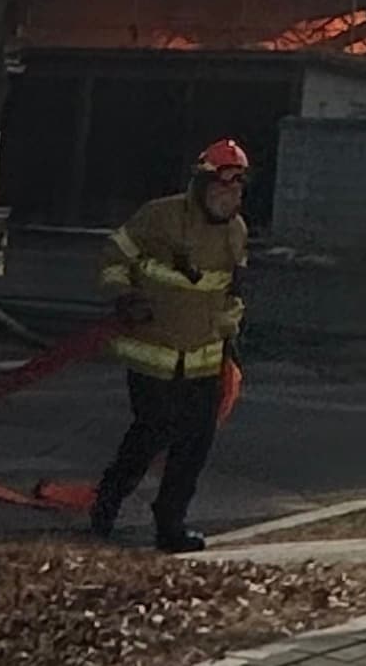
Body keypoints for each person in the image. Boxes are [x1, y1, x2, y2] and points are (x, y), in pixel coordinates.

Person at [91, 139, 250, 551]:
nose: (227, 196)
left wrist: (230, 326)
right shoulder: (159, 216)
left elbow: (232, 290)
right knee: (152, 431)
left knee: (195, 444)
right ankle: (108, 500)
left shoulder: (236, 232)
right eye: (220, 187)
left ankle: (171, 524)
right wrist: (124, 296)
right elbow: (113, 256)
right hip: (153, 353)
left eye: (235, 189)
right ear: (200, 186)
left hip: (205, 357)